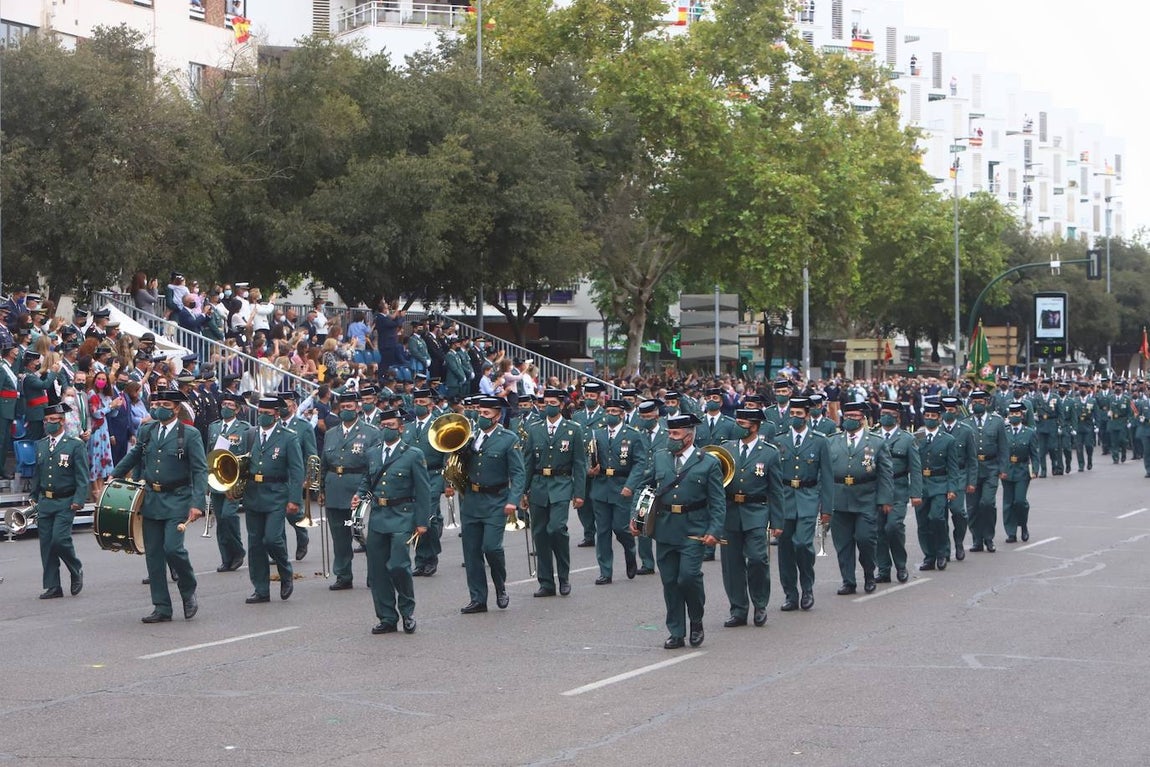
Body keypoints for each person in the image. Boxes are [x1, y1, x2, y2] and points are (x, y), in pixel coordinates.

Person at [110, 389, 205, 623]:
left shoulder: (189, 434)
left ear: (175, 408)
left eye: (164, 403)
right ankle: (162, 606)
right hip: (152, 498)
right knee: (153, 555)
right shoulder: (148, 430)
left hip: (178, 498)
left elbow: (200, 470)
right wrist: (115, 475)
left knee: (173, 549)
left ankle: (188, 588)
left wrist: (198, 503)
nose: (158, 407)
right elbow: (135, 454)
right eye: (156, 402)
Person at [632, 413, 724, 649]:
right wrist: (638, 517)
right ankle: (676, 631)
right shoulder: (661, 458)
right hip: (665, 528)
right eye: (669, 433)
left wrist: (714, 529)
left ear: (689, 436)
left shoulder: (708, 462)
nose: (670, 438)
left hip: (694, 529)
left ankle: (696, 619)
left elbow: (717, 501)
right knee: (670, 581)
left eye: (676, 434)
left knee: (688, 577)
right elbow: (647, 487)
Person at [352, 409, 429, 634]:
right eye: (384, 425)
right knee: (377, 570)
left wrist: (422, 521)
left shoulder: (413, 454)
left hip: (402, 515)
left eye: (392, 425)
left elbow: (423, 491)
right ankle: (386, 616)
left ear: (401, 428)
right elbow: (368, 479)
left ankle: (407, 612)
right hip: (378, 516)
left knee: (398, 565)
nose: (387, 429)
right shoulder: (373, 453)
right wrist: (359, 493)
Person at [458, 397, 525, 614]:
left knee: (491, 547)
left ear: (498, 416)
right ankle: (478, 598)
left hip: (496, 500)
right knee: (471, 552)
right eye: (480, 412)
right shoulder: (470, 437)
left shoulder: (508, 439)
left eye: (486, 414)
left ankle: (500, 586)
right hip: (471, 500)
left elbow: (518, 472)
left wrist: (513, 500)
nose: (481, 417)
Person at [720, 408, 784, 627]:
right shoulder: (725, 449)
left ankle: (759, 604)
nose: (737, 425)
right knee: (732, 564)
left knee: (758, 559)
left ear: (755, 426)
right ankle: (738, 609)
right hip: (730, 512)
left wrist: (777, 521)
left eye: (742, 422)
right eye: (737, 421)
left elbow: (776, 490)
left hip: (756, 511)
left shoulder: (769, 452)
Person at [238, 395, 304, 604]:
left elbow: (297, 470)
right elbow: (238, 463)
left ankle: (285, 571)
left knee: (272, 538)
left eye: (267, 414)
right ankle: (261, 589)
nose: (262, 417)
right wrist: (232, 487)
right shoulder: (249, 435)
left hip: (277, 494)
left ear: (276, 414)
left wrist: (295, 499)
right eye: (260, 413)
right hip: (253, 493)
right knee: (256, 543)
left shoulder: (288, 437)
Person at [522, 388, 587, 597]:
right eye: (545, 402)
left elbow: (579, 463)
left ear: (560, 404)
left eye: (552, 402)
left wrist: (579, 493)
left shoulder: (573, 429)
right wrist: (523, 491)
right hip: (539, 484)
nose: (547, 405)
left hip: (561, 483)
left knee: (557, 529)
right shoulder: (534, 429)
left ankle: (564, 577)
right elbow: (528, 461)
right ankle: (546, 582)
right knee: (539, 534)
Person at [772, 397, 833, 611]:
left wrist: (827, 509)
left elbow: (826, 476)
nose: (795, 418)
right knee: (785, 548)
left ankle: (807, 587)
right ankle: (790, 593)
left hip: (808, 498)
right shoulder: (780, 440)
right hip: (785, 499)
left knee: (802, 544)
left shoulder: (819, 441)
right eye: (793, 413)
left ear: (807, 416)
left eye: (799, 414)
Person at [827, 401, 893, 595]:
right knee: (843, 543)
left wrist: (885, 499)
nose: (851, 420)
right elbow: (824, 472)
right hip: (839, 498)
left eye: (855, 417)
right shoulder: (832, 441)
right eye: (848, 416)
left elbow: (885, 473)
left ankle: (869, 574)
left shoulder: (876, 442)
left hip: (866, 497)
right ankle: (848, 581)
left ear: (863, 419)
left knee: (866, 539)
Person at [321, 391, 380, 589]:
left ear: (358, 407)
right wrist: (321, 489)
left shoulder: (371, 433)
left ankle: (375, 575)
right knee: (340, 536)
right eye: (343, 407)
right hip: (335, 489)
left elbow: (374, 465)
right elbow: (323, 463)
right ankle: (343, 575)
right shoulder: (330, 433)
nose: (346, 410)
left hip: (359, 489)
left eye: (350, 407)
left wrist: (366, 491)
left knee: (364, 535)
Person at [30, 399, 88, 599]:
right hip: (46, 500)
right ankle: (53, 586)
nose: (49, 423)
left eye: (53, 419)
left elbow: (82, 476)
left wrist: (79, 499)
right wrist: (33, 496)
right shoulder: (41, 444)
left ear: (62, 421)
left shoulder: (74, 445)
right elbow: (38, 473)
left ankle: (75, 568)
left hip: (66, 500)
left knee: (60, 539)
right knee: (46, 544)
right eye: (46, 420)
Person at [588, 398, 646, 585]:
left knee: (620, 528)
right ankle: (606, 571)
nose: (610, 414)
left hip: (622, 486)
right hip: (601, 485)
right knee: (603, 531)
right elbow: (588, 458)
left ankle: (630, 552)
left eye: (615, 412)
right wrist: (590, 470)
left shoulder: (633, 435)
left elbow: (639, 463)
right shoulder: (597, 434)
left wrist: (630, 485)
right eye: (608, 411)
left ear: (622, 414)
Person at [873, 400, 922, 584]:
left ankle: (900, 565)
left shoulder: (907, 439)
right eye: (883, 413)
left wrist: (916, 493)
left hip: (898, 489)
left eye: (890, 414)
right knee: (878, 530)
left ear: (898, 417)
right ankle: (884, 569)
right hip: (876, 490)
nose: (886, 416)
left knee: (893, 527)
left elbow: (915, 468)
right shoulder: (873, 436)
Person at [207, 393, 250, 572]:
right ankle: (226, 557)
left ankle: (238, 551)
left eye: (230, 405)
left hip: (234, 480)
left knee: (228, 515)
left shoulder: (245, 428)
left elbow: (247, 455)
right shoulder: (213, 427)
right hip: (217, 478)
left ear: (237, 409)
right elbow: (208, 453)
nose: (226, 407)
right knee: (220, 520)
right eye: (223, 404)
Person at [914, 402, 960, 571]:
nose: (930, 419)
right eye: (927, 416)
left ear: (939, 419)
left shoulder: (948, 440)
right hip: (921, 485)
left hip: (940, 484)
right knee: (922, 523)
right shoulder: (917, 437)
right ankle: (929, 556)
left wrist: (952, 488)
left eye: (933, 417)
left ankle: (941, 553)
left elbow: (953, 467)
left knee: (937, 518)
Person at [405, 388, 446, 576]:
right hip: (412, 478)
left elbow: (447, 452)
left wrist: (448, 482)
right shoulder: (408, 427)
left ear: (430, 405)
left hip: (433, 475)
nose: (419, 406)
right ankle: (420, 559)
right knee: (415, 517)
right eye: (417, 403)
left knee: (427, 515)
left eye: (423, 403)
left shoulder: (438, 425)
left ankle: (431, 557)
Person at [963, 389, 1009, 553]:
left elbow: (1003, 447)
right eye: (975, 403)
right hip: (971, 470)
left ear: (987, 403)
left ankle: (989, 537)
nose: (977, 405)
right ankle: (977, 539)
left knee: (987, 503)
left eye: (981, 402)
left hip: (991, 467)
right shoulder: (966, 423)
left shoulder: (997, 422)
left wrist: (1003, 468)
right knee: (973, 507)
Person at [278, 391, 317, 560]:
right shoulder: (273, 424)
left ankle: (302, 536)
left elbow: (311, 454)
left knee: (293, 514)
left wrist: (309, 478)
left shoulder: (303, 426)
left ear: (293, 407)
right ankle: (280, 551)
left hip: (295, 477)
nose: (281, 409)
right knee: (276, 515)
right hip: (276, 477)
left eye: (285, 406)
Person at [572, 381, 606, 547]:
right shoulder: (577, 416)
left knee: (597, 500)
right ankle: (588, 533)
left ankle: (602, 532)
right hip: (580, 463)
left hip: (599, 463)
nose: (589, 399)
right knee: (582, 500)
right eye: (587, 396)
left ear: (599, 398)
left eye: (593, 396)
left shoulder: (605, 415)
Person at [1002, 402, 1041, 543]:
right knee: (1008, 503)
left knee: (1019, 501)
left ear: (1022, 416)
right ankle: (1011, 532)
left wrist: (1035, 469)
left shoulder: (1029, 432)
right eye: (1011, 414)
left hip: (1022, 470)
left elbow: (1034, 454)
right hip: (1006, 470)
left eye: (1017, 414)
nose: (1014, 416)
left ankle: (1023, 525)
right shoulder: (1004, 431)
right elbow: (1000, 452)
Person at [86, 371, 120, 501]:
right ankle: (95, 489)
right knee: (94, 459)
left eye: (103, 379)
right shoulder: (92, 394)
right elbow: (97, 414)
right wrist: (111, 406)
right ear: (95, 380)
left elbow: (112, 415)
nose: (101, 381)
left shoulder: (106, 396)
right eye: (99, 378)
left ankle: (100, 489)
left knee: (102, 462)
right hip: (96, 431)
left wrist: (116, 406)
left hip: (104, 431)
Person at [21, 351, 57, 440]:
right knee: (35, 438)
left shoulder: (33, 376)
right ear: (30, 364)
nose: (39, 363)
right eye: (37, 362)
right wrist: (53, 372)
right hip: (35, 414)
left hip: (39, 413)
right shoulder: (29, 377)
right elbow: (45, 385)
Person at [0, 344, 19, 478]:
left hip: (9, 409)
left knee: (5, 441)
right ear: (9, 352)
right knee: (1, 441)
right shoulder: (2, 368)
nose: (17, 351)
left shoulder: (9, 367)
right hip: (3, 409)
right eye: (15, 349)